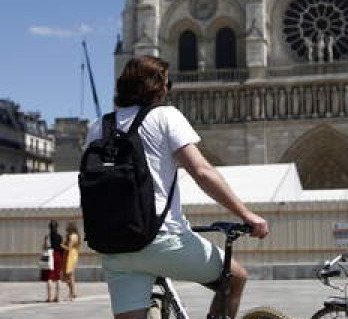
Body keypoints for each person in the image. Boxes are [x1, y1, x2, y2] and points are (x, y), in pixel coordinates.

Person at [86, 55, 269, 319]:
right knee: (235, 277)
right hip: (163, 240)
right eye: (167, 85)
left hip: (115, 247)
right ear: (158, 87)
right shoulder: (165, 117)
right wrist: (246, 214)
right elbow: (202, 171)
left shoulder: (98, 126)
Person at [41, 221, 64, 302]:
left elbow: (45, 247)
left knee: (49, 277)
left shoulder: (47, 236)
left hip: (50, 255)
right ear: (57, 227)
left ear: (49, 227)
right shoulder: (60, 237)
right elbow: (62, 248)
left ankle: (50, 297)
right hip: (58, 256)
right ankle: (57, 297)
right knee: (58, 277)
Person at [62, 222, 81, 301]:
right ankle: (73, 292)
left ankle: (71, 293)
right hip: (73, 254)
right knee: (70, 275)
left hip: (70, 256)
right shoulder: (75, 236)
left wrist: (60, 245)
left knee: (69, 275)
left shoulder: (72, 236)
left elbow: (68, 248)